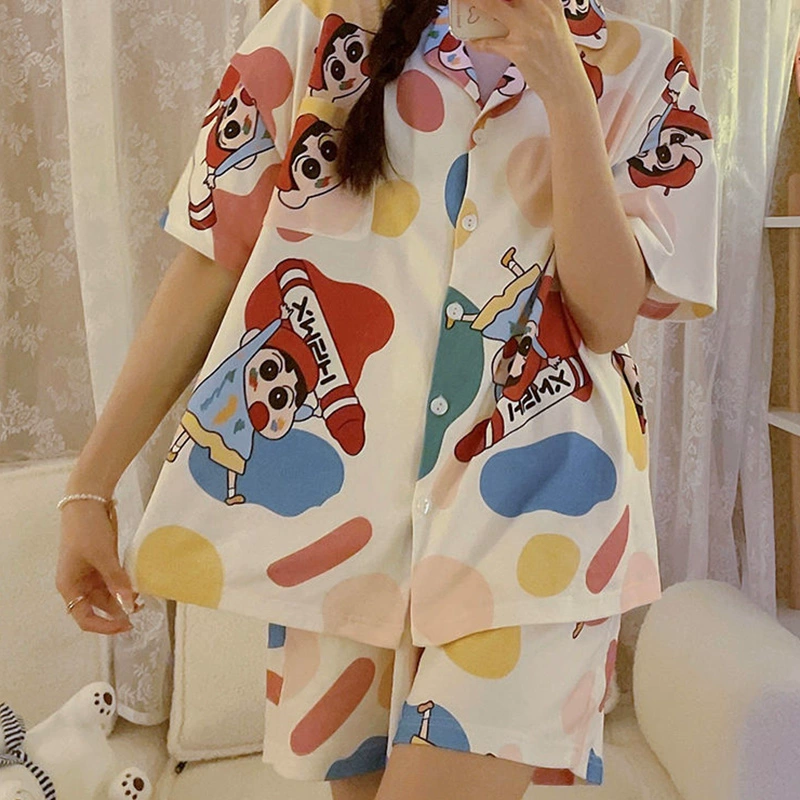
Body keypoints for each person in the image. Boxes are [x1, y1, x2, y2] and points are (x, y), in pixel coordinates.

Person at [56, 0, 719, 797]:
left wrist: (568, 92)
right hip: (344, 530)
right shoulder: (316, 31)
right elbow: (210, 261)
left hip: (541, 516)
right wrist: (89, 487)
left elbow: (607, 317)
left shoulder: (650, 69)